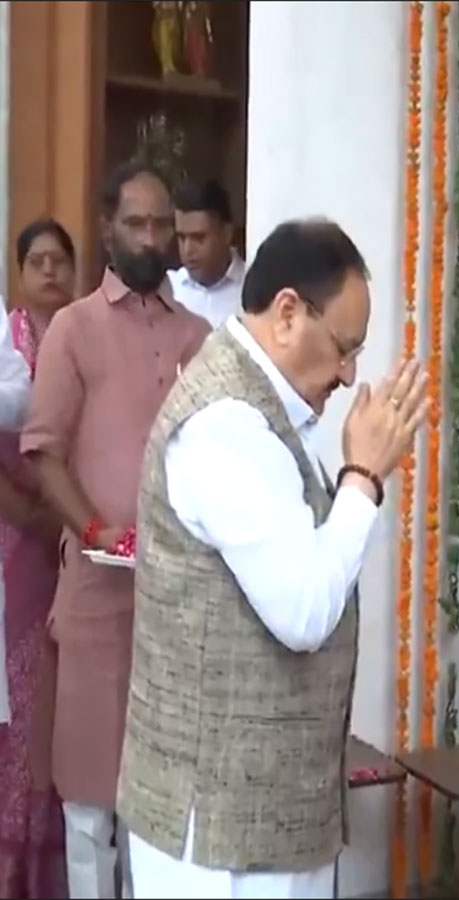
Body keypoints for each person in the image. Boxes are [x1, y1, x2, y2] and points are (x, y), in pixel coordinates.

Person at [118, 218, 429, 898]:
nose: (350, 374)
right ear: (287, 313)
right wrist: (363, 479)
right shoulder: (226, 423)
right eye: (345, 348)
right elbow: (302, 611)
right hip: (221, 833)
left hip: (262, 817)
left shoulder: (261, 410)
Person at [20, 162, 211, 900]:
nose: (152, 236)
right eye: (137, 223)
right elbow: (44, 451)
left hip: (175, 602)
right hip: (98, 599)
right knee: (91, 806)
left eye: (162, 224)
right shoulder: (74, 328)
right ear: (108, 229)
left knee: (158, 809)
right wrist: (97, 531)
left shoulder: (199, 335)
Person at [0, 218, 75, 897]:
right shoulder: (8, 343)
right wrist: (29, 509)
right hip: (17, 540)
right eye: (38, 261)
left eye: (61, 261)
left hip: (78, 542)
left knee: (60, 700)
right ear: (20, 273)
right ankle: (12, 865)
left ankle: (53, 868)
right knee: (20, 698)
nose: (50, 272)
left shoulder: (81, 339)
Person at [167, 179, 245, 327]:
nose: (188, 249)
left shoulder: (253, 290)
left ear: (227, 234)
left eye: (199, 238)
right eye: (182, 238)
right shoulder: (168, 289)